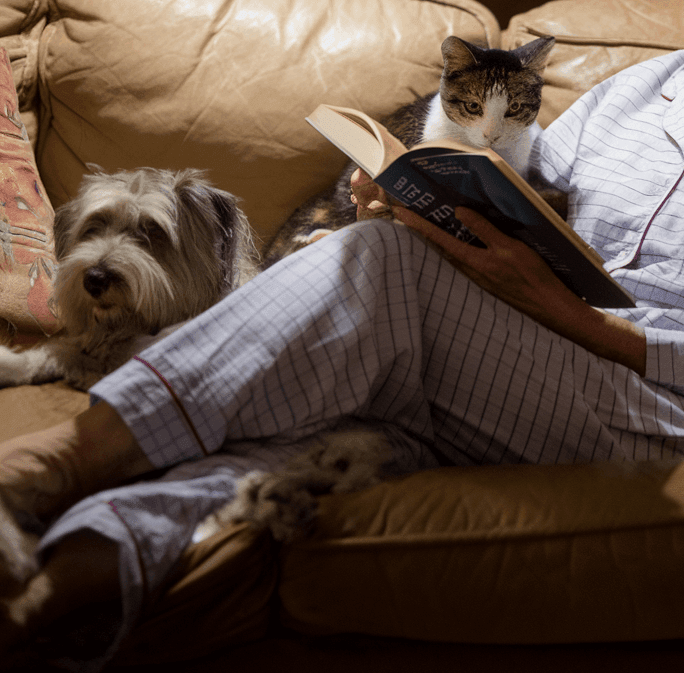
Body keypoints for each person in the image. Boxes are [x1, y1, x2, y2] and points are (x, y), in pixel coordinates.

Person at [3, 49, 684, 669]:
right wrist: (402, 205)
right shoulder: (637, 90)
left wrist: (577, 318)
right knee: (320, 426)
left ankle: (60, 456)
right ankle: (46, 593)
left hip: (651, 400)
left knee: (381, 265)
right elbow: (524, 197)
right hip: (520, 354)